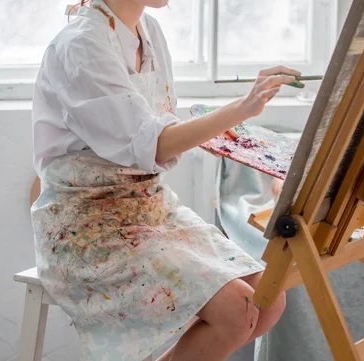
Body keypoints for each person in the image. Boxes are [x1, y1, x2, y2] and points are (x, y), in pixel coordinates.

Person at [30, 1, 300, 360]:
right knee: (237, 310)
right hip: (87, 225)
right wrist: (241, 107)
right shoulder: (80, 45)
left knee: (269, 298)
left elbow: (160, 126)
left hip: (149, 207)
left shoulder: (150, 31)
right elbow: (154, 143)